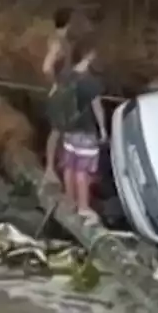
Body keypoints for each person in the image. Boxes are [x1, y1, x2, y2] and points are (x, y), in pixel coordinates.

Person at [44, 40, 107, 219]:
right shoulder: (89, 81)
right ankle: (83, 207)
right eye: (93, 56)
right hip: (86, 133)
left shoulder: (65, 75)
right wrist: (102, 129)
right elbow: (97, 107)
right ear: (87, 57)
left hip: (68, 131)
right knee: (82, 171)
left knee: (69, 167)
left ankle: (70, 200)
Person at [40, 7, 73, 86]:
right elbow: (47, 67)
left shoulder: (59, 39)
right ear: (68, 24)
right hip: (61, 85)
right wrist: (56, 84)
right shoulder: (58, 41)